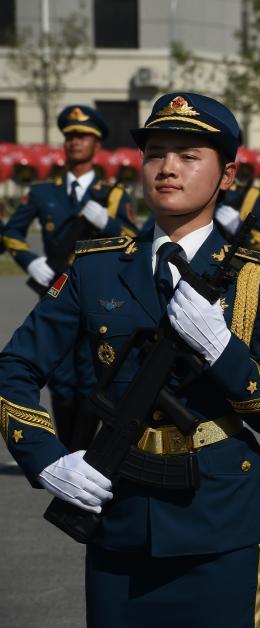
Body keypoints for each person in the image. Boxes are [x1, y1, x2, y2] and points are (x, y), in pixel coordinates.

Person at [0, 92, 260, 626]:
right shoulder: (95, 268)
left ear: (227, 175)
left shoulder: (253, 277)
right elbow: (13, 368)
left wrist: (221, 349)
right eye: (156, 153)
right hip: (119, 514)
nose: (168, 168)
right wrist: (47, 458)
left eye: (189, 156)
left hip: (221, 519)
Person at [2, 105, 136, 451]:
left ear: (97, 145)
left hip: (99, 297)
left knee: (92, 376)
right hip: (55, 295)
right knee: (60, 380)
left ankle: (84, 453)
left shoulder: (113, 194)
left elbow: (136, 240)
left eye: (83, 137)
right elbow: (12, 234)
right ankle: (67, 450)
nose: (75, 142)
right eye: (71, 137)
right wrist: (30, 262)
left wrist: (108, 223)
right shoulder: (44, 191)